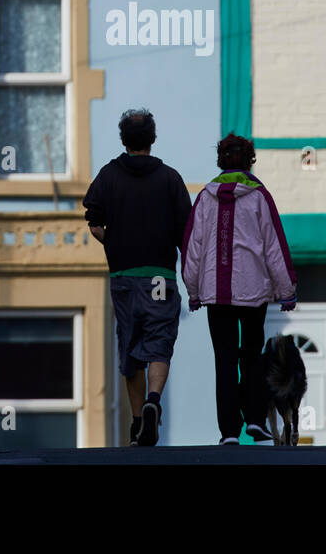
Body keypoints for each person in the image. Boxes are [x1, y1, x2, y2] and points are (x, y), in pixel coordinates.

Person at [83, 108, 192, 447]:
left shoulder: (108, 176)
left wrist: (114, 243)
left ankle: (135, 424)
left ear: (123, 140)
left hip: (124, 276)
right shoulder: (170, 178)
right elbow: (185, 232)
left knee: (130, 346)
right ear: (153, 139)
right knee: (159, 341)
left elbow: (94, 222)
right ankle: (153, 401)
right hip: (160, 275)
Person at [182, 133, 297, 445]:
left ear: (221, 161)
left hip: (215, 293)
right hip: (253, 292)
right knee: (251, 355)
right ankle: (256, 420)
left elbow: (192, 247)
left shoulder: (205, 198)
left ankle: (229, 432)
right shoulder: (260, 197)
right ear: (250, 161)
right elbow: (274, 247)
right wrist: (286, 290)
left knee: (224, 359)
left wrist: (193, 290)